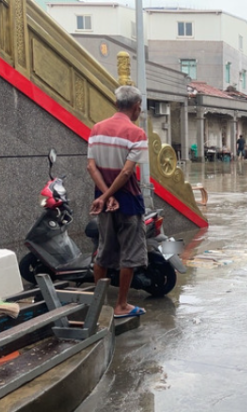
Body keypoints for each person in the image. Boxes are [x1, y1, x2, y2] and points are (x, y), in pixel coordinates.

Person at [86, 85, 148, 319]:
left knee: (103, 250)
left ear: (115, 104)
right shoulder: (137, 133)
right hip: (128, 201)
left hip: (103, 201)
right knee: (129, 255)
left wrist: (103, 196)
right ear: (136, 107)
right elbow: (126, 173)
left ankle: (101, 304)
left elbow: (91, 166)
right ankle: (121, 304)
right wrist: (110, 195)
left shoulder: (97, 129)